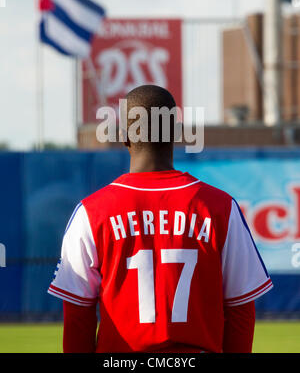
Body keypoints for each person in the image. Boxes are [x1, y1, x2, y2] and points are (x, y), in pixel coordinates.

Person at [48, 85, 273, 353]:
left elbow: (77, 318)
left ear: (124, 137)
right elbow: (240, 310)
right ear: (177, 134)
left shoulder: (90, 212)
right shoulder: (220, 207)